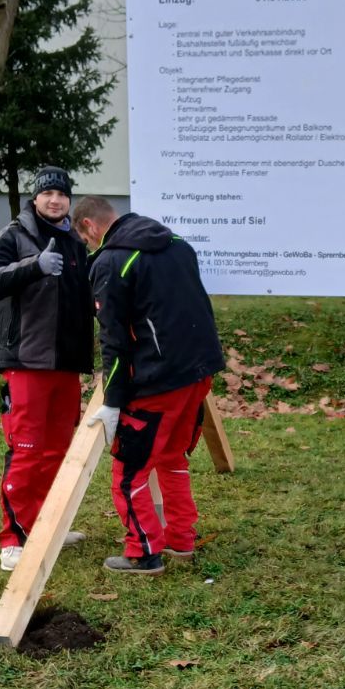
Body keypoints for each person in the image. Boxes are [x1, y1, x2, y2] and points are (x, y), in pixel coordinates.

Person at [75, 196, 224, 574]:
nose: (91, 247)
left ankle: (142, 552)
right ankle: (181, 539)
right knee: (172, 459)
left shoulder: (111, 262)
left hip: (157, 380)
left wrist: (112, 400)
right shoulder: (177, 244)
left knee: (128, 471)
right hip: (197, 373)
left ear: (89, 226)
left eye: (87, 240)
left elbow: (114, 340)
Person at [0, 166, 94, 570]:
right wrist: (34, 267)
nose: (55, 200)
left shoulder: (77, 241)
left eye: (62, 194)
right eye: (48, 194)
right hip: (26, 359)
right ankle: (15, 537)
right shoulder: (13, 235)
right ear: (36, 198)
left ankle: (47, 526)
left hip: (66, 365)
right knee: (25, 449)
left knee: (58, 451)